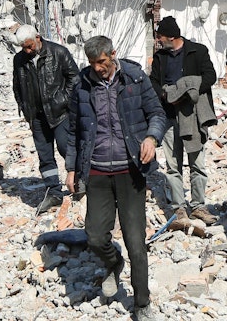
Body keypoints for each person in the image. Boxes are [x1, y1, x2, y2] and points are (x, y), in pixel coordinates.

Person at [66, 35, 166, 321]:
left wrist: (151, 137)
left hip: (130, 171)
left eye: (101, 61)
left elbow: (157, 114)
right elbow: (74, 131)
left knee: (136, 242)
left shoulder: (134, 78)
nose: (97, 68)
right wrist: (71, 168)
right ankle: (114, 262)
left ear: (113, 54)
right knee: (95, 236)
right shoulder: (81, 86)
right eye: (92, 63)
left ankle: (141, 304)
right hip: (96, 170)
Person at [149, 15, 218, 225]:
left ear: (172, 36)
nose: (158, 41)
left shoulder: (198, 51)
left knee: (197, 164)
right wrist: (165, 95)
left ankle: (198, 206)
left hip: (192, 117)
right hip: (169, 117)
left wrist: (187, 93)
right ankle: (179, 208)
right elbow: (153, 82)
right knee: (173, 165)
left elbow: (210, 77)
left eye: (160, 37)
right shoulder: (160, 57)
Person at [12, 24, 79, 215]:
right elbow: (17, 86)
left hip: (60, 114)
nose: (27, 50)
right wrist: (25, 109)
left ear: (38, 38)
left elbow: (75, 79)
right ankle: (53, 192)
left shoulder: (58, 53)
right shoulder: (19, 60)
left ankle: (79, 184)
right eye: (24, 47)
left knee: (67, 147)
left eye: (29, 46)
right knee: (45, 156)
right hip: (37, 117)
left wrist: (63, 101)